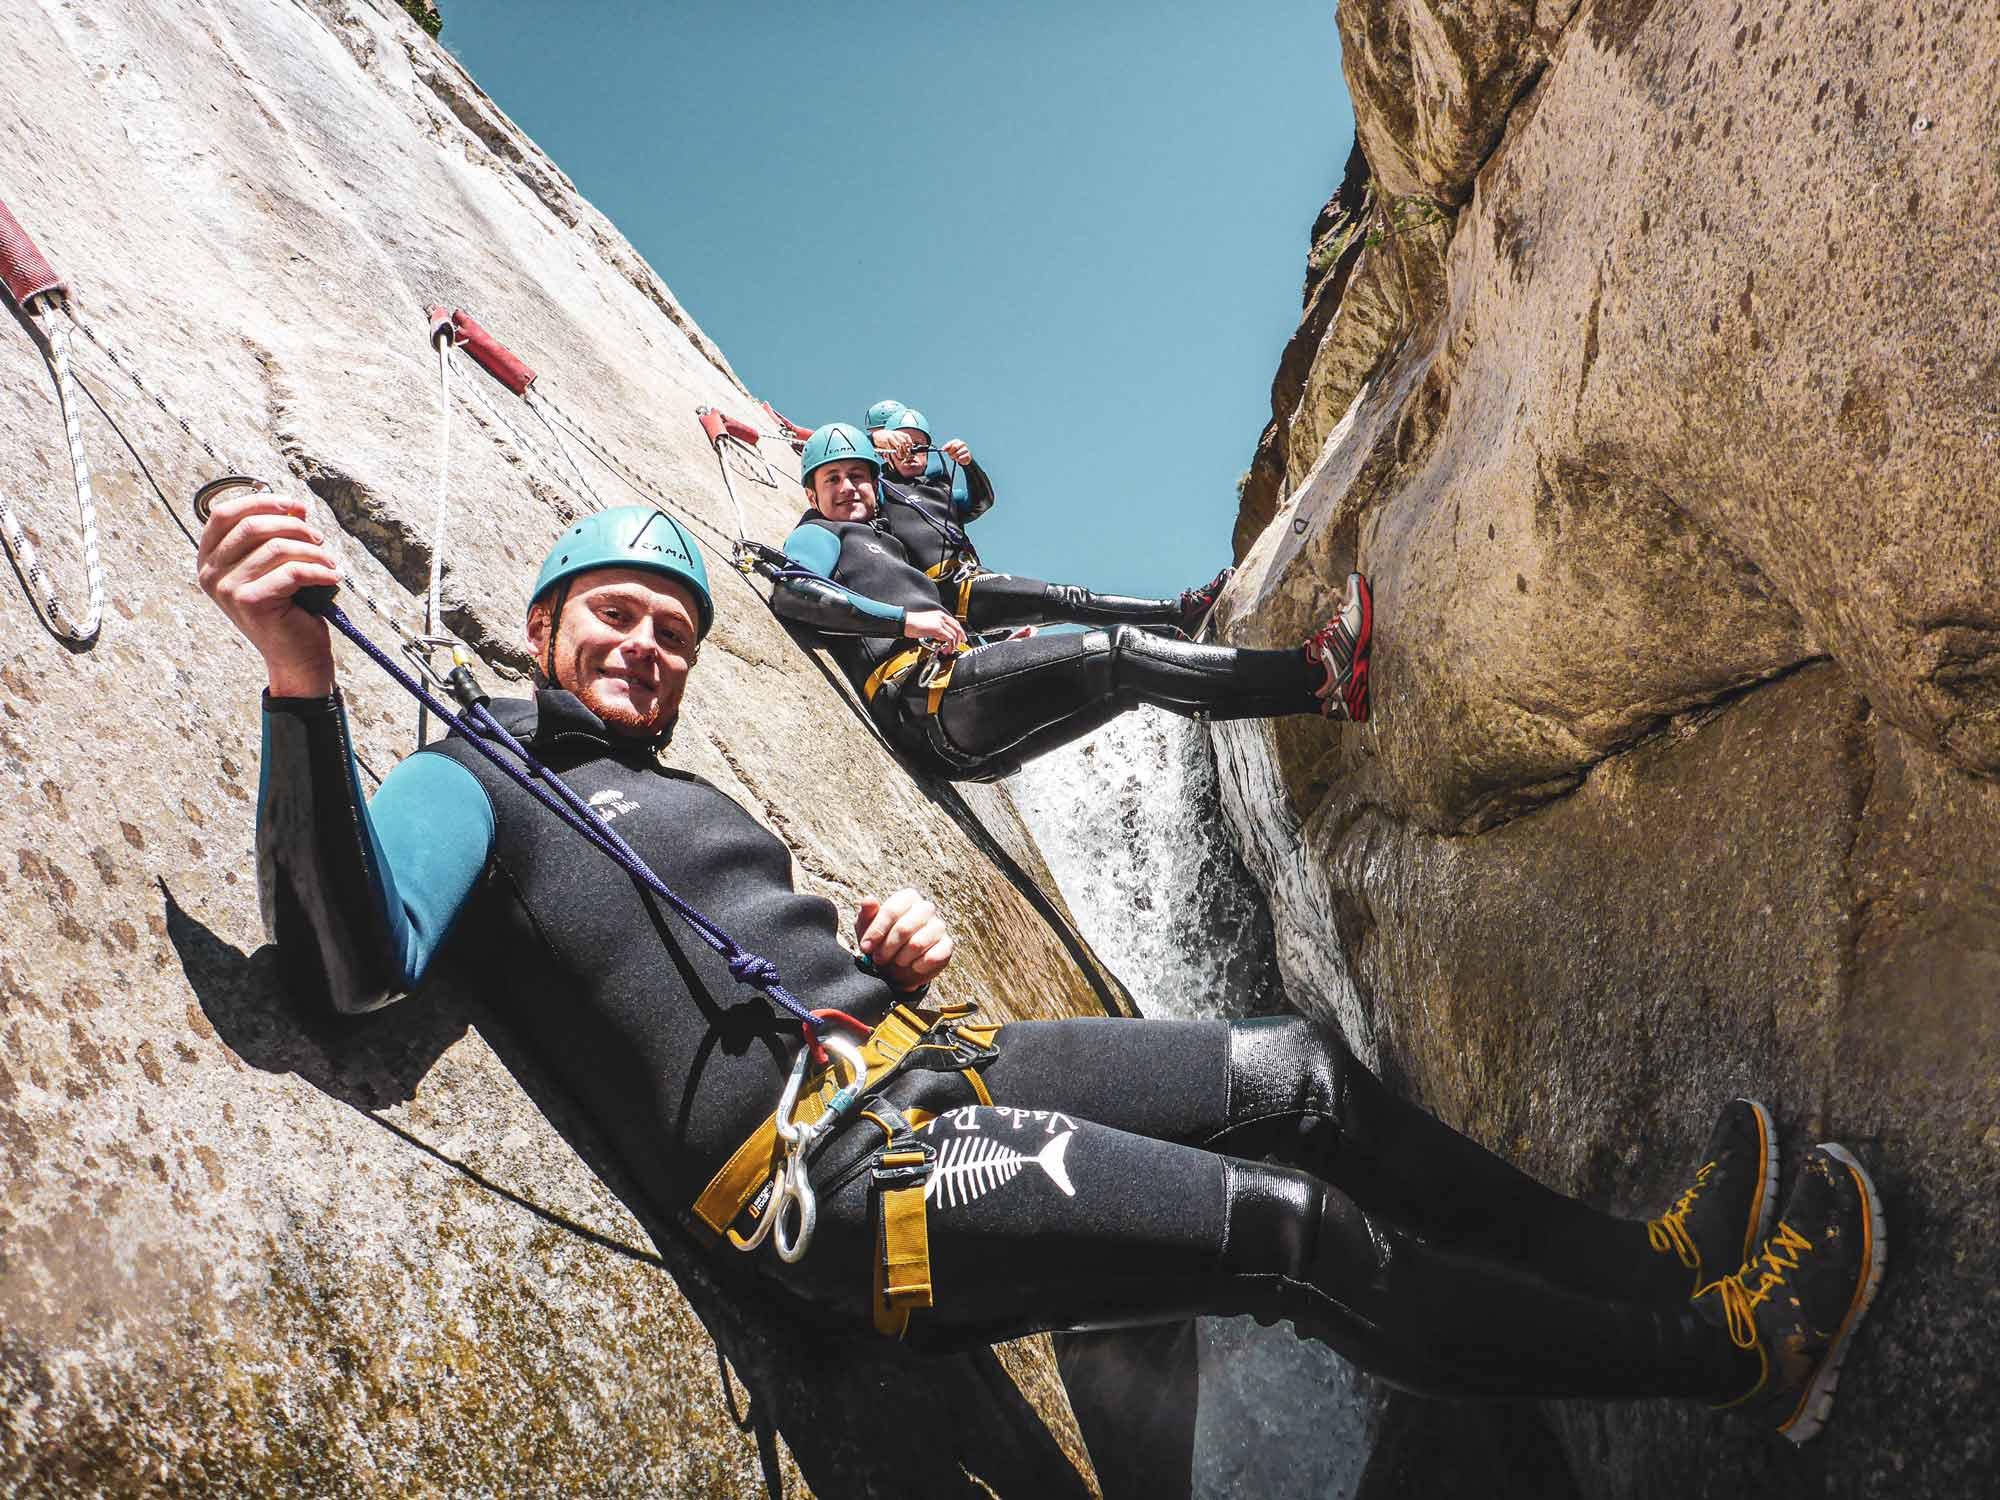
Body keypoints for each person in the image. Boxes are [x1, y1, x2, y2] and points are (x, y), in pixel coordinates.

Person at [196, 492, 1885, 1451]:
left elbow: (696, 966)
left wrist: (877, 950)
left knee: (1296, 1078)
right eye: (612, 616)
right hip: (842, 1178)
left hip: (926, 1067)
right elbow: (348, 967)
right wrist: (295, 676)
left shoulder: (676, 795)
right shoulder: (468, 772)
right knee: (1287, 1230)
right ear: (547, 623)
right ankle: (1732, 1360)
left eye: (670, 628)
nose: (643, 645)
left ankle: (1654, 1264)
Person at [770, 423, 1369, 781]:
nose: (849, 487)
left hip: (955, 720)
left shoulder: (883, 536)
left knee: (1131, 685)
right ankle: (1313, 666)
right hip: (929, 699)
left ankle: (1319, 696)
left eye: (859, 476)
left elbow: (965, 503)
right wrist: (905, 619)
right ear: (811, 491)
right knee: (1122, 654)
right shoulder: (818, 533)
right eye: (833, 479)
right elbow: (793, 593)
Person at [862, 399, 1232, 636]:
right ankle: (1179, 611)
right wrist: (880, 438)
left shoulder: (938, 488)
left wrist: (969, 465)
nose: (911, 451)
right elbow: (847, 454)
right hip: (951, 591)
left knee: (1067, 608)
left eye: (918, 443)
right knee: (1068, 598)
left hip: (974, 583)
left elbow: (982, 502)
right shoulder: (880, 489)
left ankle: (1167, 631)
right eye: (902, 443)